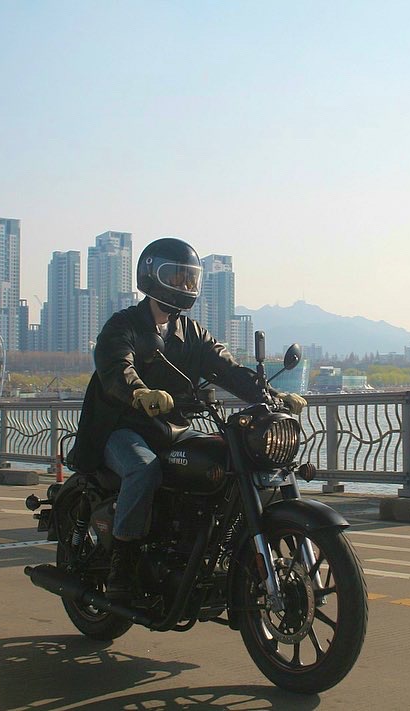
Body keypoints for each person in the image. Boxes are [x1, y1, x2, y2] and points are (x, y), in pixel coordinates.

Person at [67, 237, 307, 600]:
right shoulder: (124, 325)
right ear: (152, 276)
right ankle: (123, 563)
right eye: (176, 277)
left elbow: (228, 369)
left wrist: (271, 396)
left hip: (171, 430)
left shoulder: (192, 333)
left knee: (223, 461)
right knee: (143, 469)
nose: (184, 285)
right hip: (121, 428)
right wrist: (139, 392)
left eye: (189, 278)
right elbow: (116, 367)